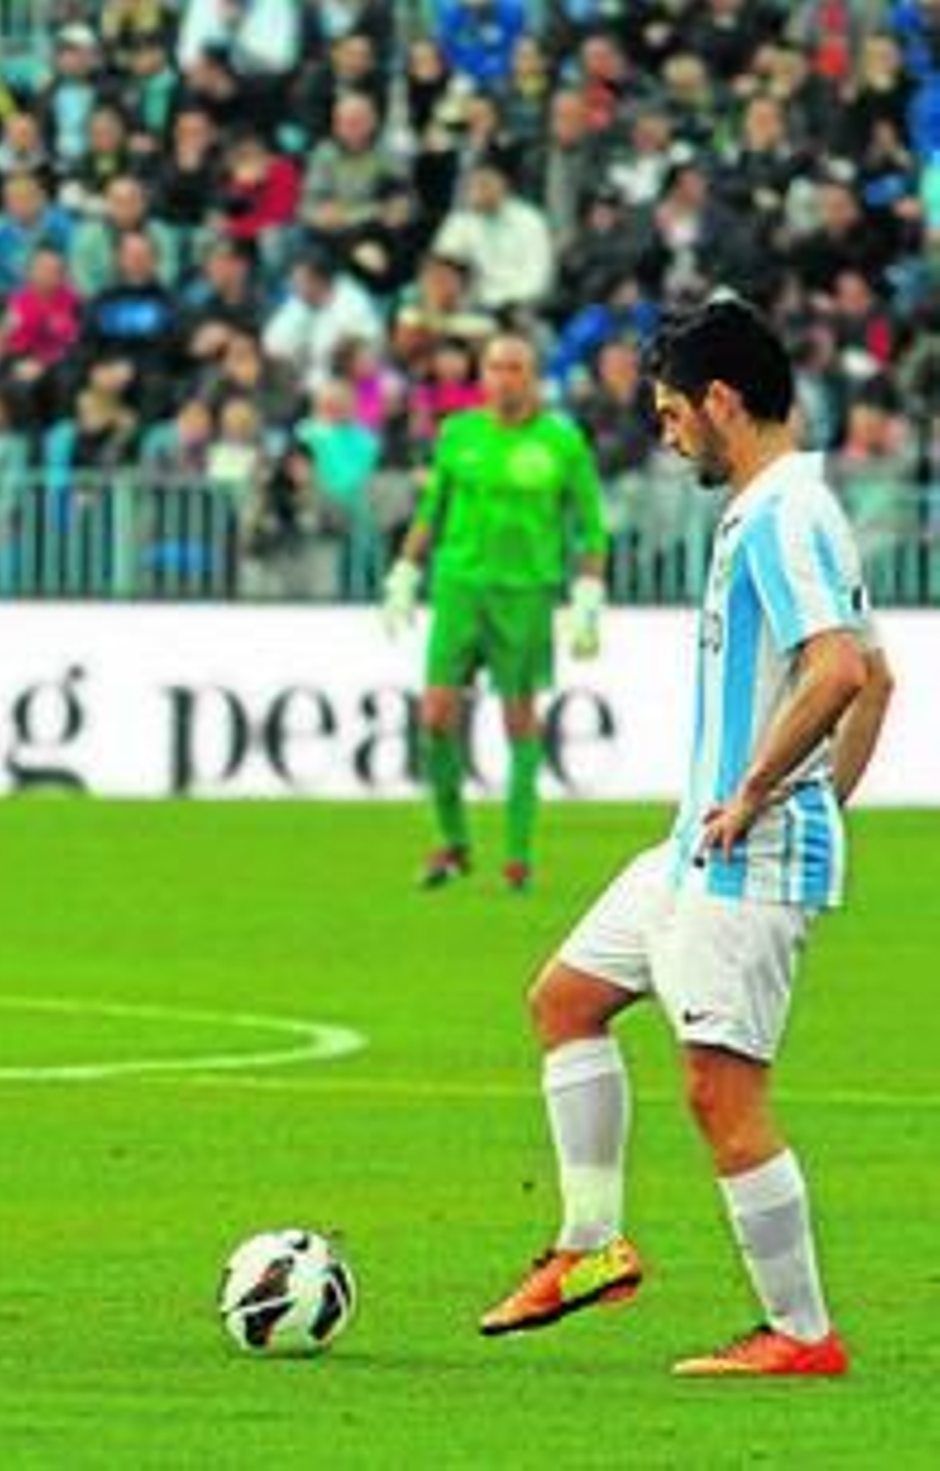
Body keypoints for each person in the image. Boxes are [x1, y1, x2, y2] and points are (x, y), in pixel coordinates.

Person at [477, 298, 895, 1376]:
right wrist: (813, 805)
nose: (665, 435)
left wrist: (767, 797)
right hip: (697, 846)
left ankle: (802, 1332)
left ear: (721, 402)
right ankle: (589, 1245)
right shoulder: (776, 507)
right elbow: (877, 678)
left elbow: (840, 668)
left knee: (719, 1090)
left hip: (741, 853)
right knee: (565, 999)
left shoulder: (782, 516)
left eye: (671, 413)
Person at [381, 333, 608, 891]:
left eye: (515, 367)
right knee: (435, 715)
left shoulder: (562, 441)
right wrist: (405, 573)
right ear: (482, 376)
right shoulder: (459, 435)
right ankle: (453, 843)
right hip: (460, 587)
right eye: (495, 367)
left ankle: (517, 857)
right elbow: (431, 510)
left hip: (526, 593)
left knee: (520, 721)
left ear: (532, 376)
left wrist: (587, 597)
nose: (504, 377)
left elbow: (591, 524)